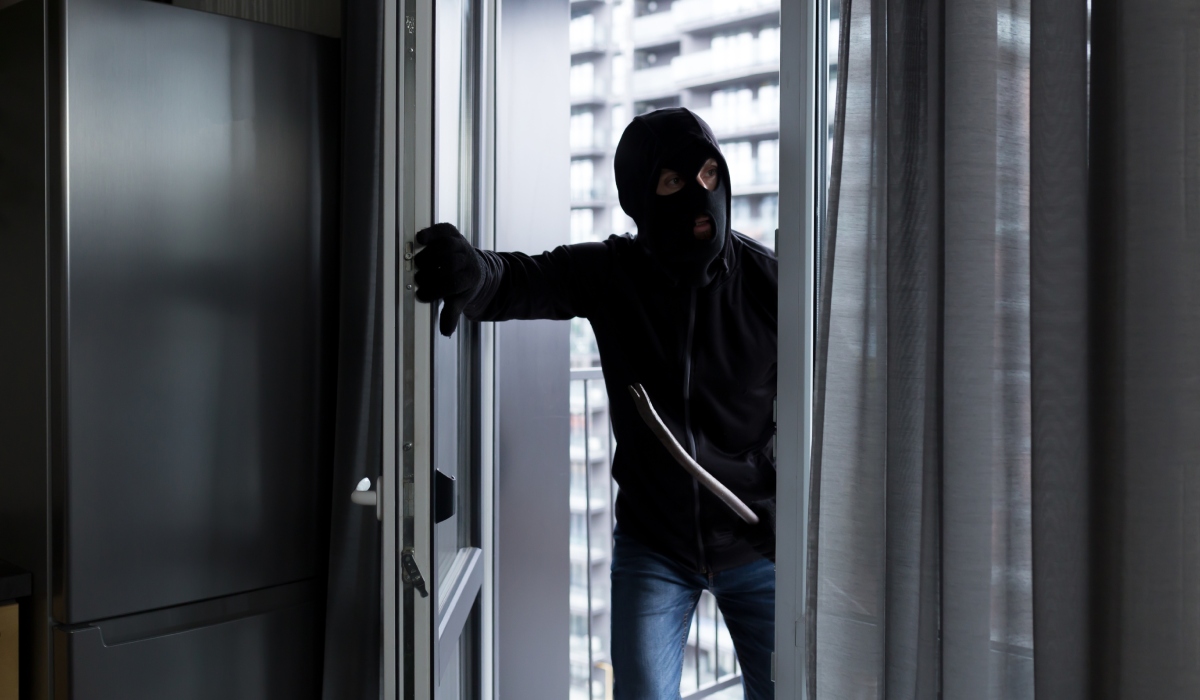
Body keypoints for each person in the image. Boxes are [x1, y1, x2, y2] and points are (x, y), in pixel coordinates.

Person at [414, 107, 777, 700]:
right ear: (639, 199)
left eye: (710, 174)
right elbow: (516, 280)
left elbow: (830, 418)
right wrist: (470, 272)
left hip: (758, 545)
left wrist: (789, 504)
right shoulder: (614, 273)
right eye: (674, 181)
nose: (700, 196)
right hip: (655, 545)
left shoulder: (771, 285)